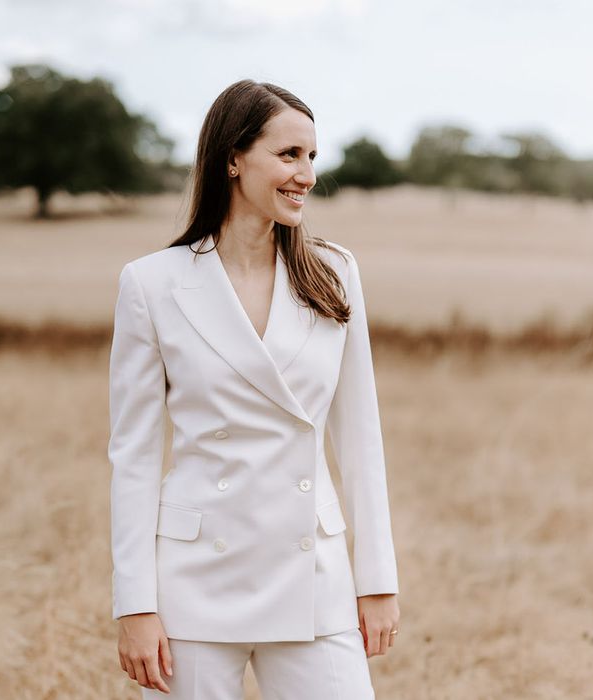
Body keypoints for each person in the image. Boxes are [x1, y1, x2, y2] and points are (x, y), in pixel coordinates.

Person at [107, 79, 400, 699]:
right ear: (233, 159)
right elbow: (132, 458)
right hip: (195, 583)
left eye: (313, 156)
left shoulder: (335, 273)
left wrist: (376, 581)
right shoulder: (152, 284)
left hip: (313, 576)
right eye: (289, 155)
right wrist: (134, 604)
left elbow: (360, 437)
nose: (307, 175)